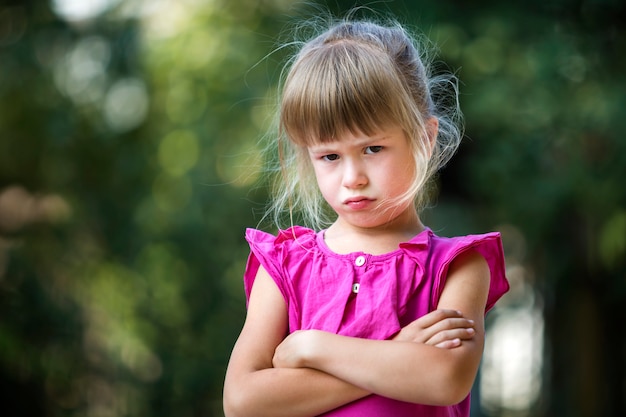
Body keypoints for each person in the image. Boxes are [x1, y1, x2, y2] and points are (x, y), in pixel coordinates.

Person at [223, 15, 509, 417]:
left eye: (373, 149)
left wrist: (310, 348)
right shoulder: (285, 266)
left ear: (424, 138)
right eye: (330, 156)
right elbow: (242, 401)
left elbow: (442, 379)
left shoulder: (458, 266)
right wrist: (398, 355)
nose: (352, 178)